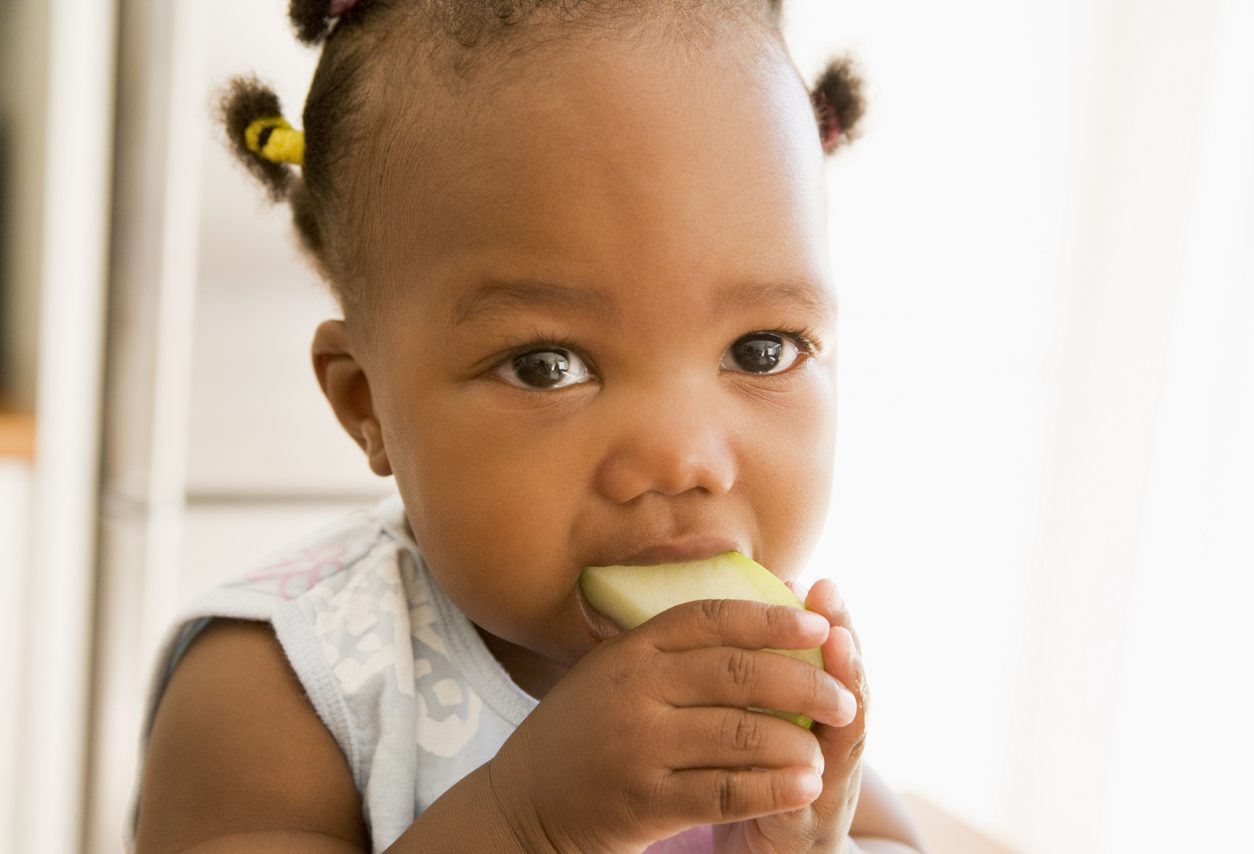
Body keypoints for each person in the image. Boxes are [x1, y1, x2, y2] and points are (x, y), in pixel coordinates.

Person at [131, 0, 926, 851]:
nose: (681, 458)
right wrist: (528, 825)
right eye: (548, 365)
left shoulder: (752, 686)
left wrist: (811, 843)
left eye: (762, 350)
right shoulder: (286, 688)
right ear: (367, 406)